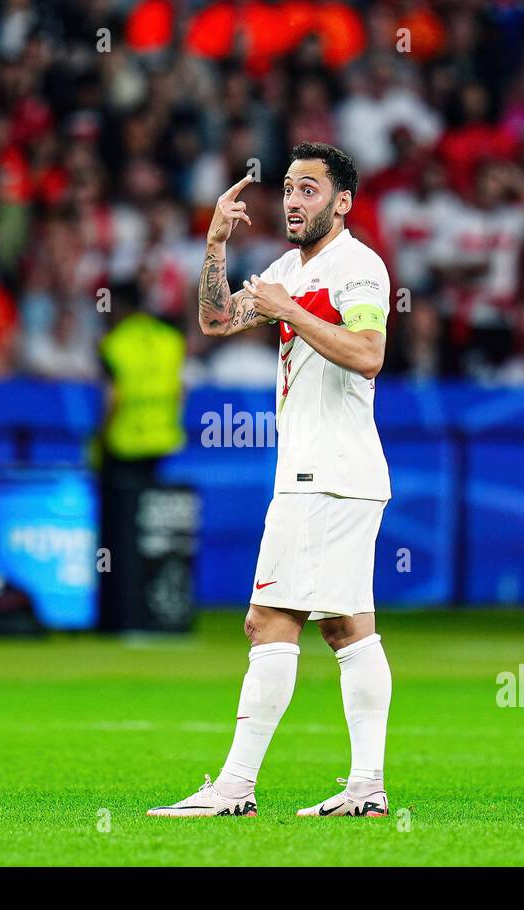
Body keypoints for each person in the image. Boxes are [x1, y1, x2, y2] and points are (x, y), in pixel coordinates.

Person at [149, 142, 392, 818]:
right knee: (348, 629)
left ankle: (234, 789)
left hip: (325, 474)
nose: (292, 200)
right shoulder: (288, 266)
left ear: (342, 201)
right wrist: (215, 245)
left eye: (309, 189)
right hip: (336, 475)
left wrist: (292, 312)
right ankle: (367, 788)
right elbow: (216, 319)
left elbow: (370, 355)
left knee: (266, 621)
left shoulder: (359, 268)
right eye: (288, 188)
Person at [95, 280, 187, 632]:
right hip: (161, 445)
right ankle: (148, 611)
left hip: (123, 447)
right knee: (150, 533)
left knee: (119, 537)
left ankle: (119, 613)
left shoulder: (115, 345)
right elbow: (180, 390)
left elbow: (112, 399)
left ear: (117, 307)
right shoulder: (169, 340)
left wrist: (100, 438)